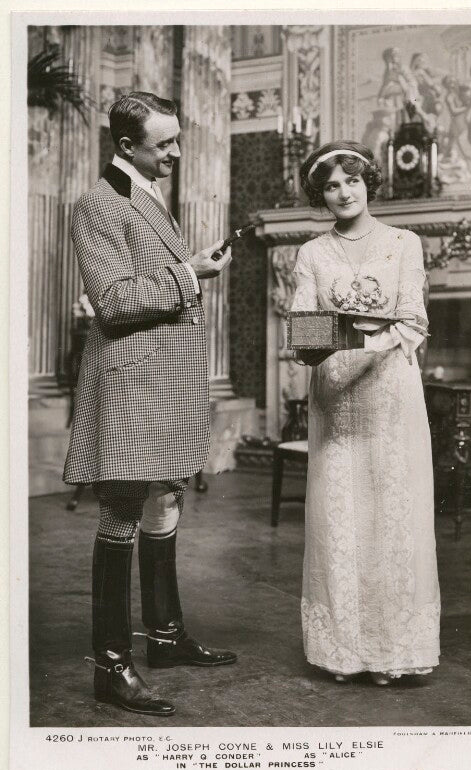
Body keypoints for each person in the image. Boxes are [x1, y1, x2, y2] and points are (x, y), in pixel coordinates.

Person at [64, 92, 236, 716]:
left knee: (166, 495)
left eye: (178, 139)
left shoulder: (146, 195)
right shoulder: (98, 204)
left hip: (163, 379)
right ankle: (111, 667)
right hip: (131, 382)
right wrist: (191, 273)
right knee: (122, 509)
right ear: (126, 146)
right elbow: (112, 301)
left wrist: (189, 269)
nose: (177, 152)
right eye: (165, 143)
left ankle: (164, 637)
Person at [290, 140, 440, 686]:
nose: (342, 192)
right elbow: (305, 325)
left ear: (367, 182)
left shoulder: (404, 243)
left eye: (350, 180)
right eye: (330, 185)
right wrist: (337, 339)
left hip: (389, 390)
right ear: (320, 194)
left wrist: (361, 338)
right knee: (340, 518)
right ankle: (344, 651)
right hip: (335, 396)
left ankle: (393, 652)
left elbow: (413, 322)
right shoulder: (310, 252)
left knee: (391, 514)